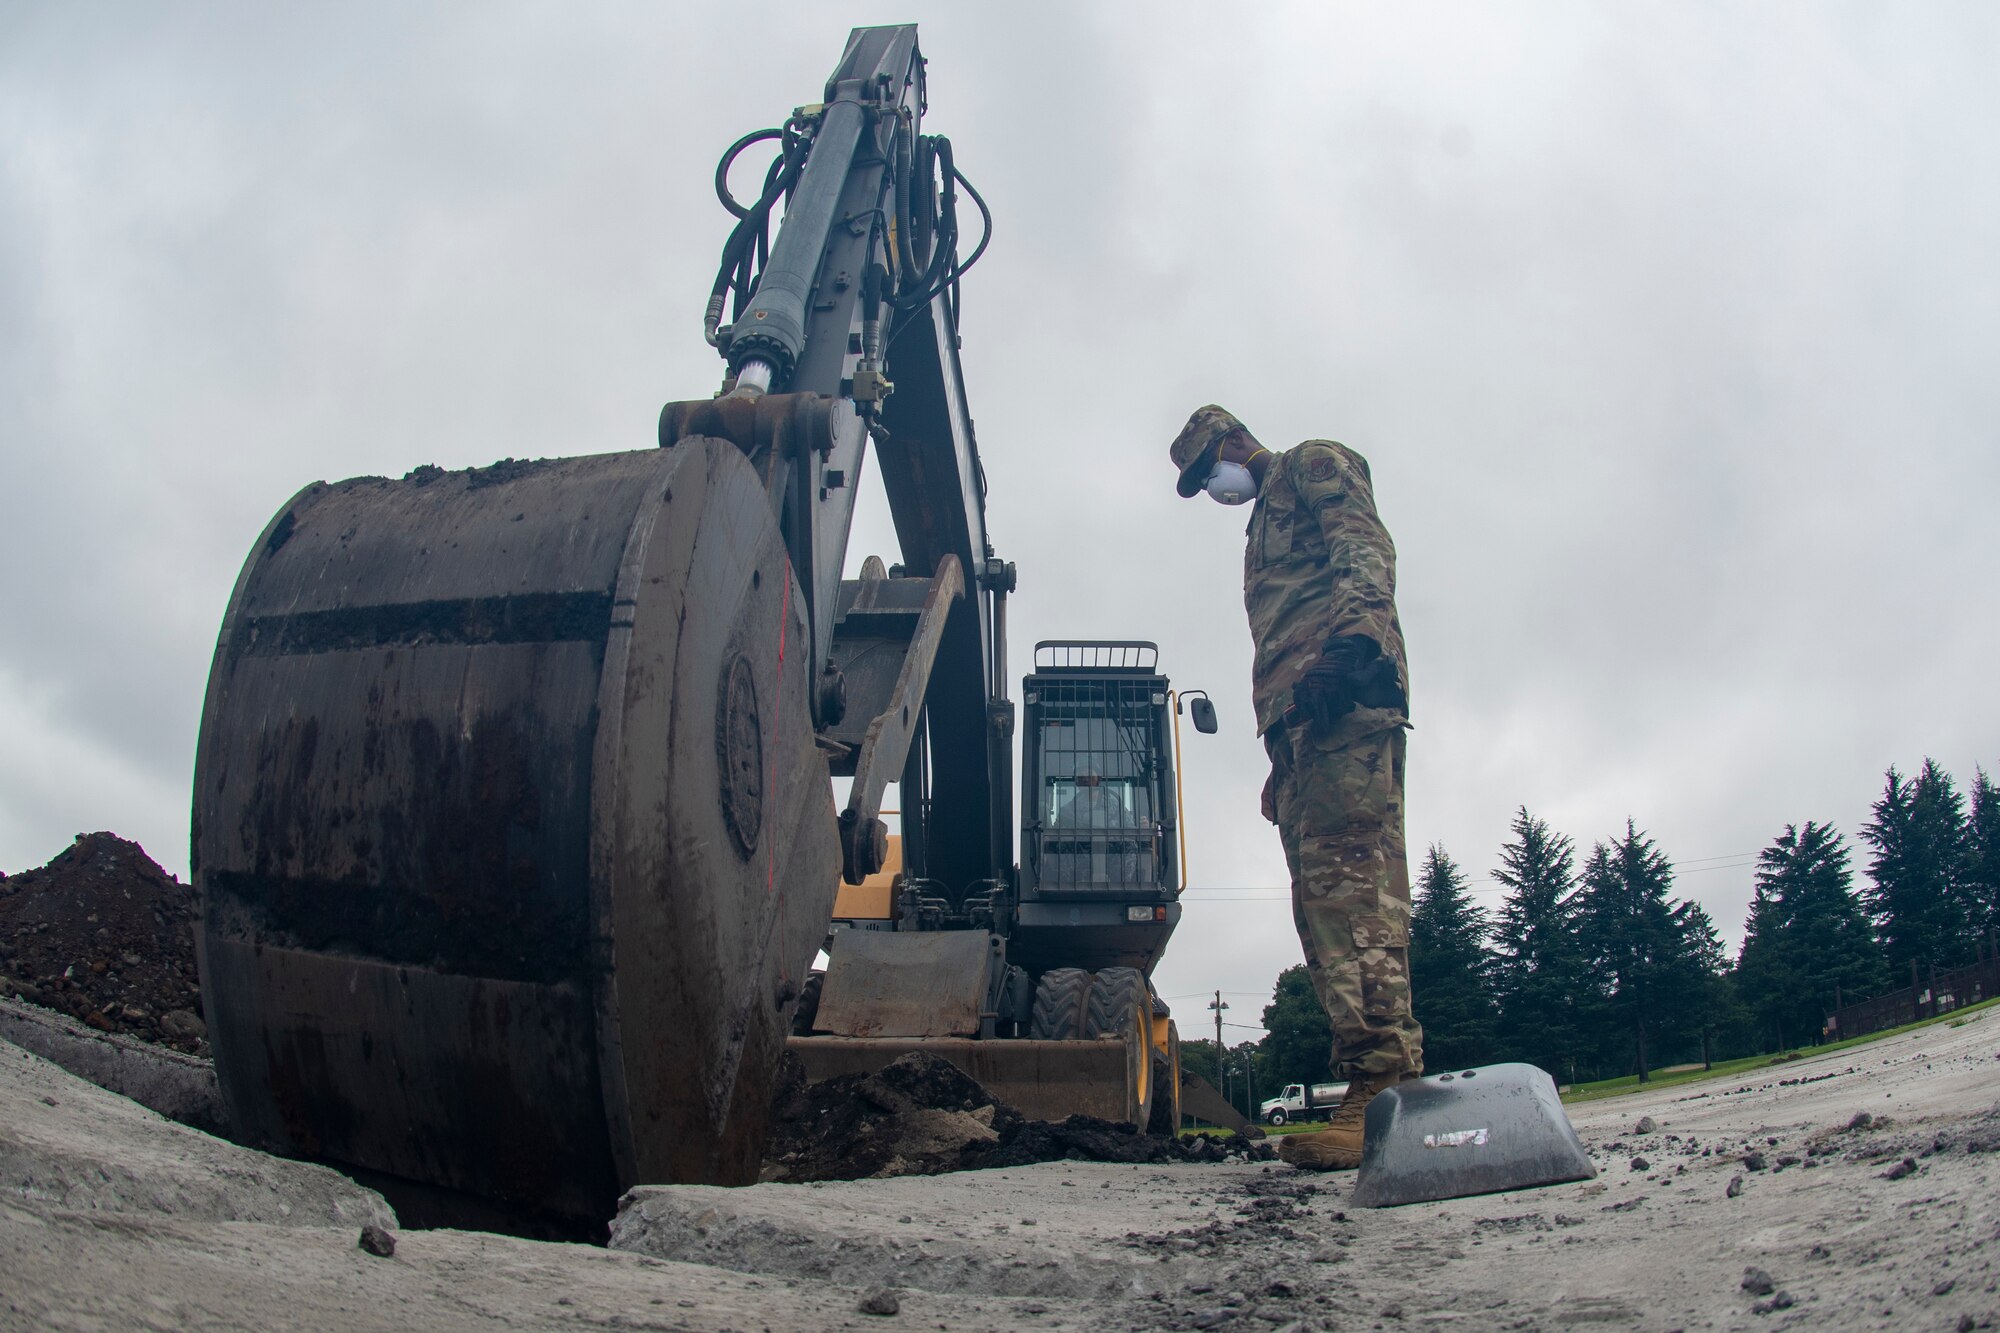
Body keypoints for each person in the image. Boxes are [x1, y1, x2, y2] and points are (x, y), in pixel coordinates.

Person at [1169, 404, 1424, 1170]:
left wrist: (1353, 647)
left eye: (1206, 469)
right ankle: (1370, 1080)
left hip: (1345, 695)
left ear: (1231, 444)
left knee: (1353, 893)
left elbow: (1362, 548)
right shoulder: (1258, 532)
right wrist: (1280, 766)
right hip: (1304, 728)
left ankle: (1386, 1089)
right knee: (1320, 903)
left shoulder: (1311, 464)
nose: (1213, 486)